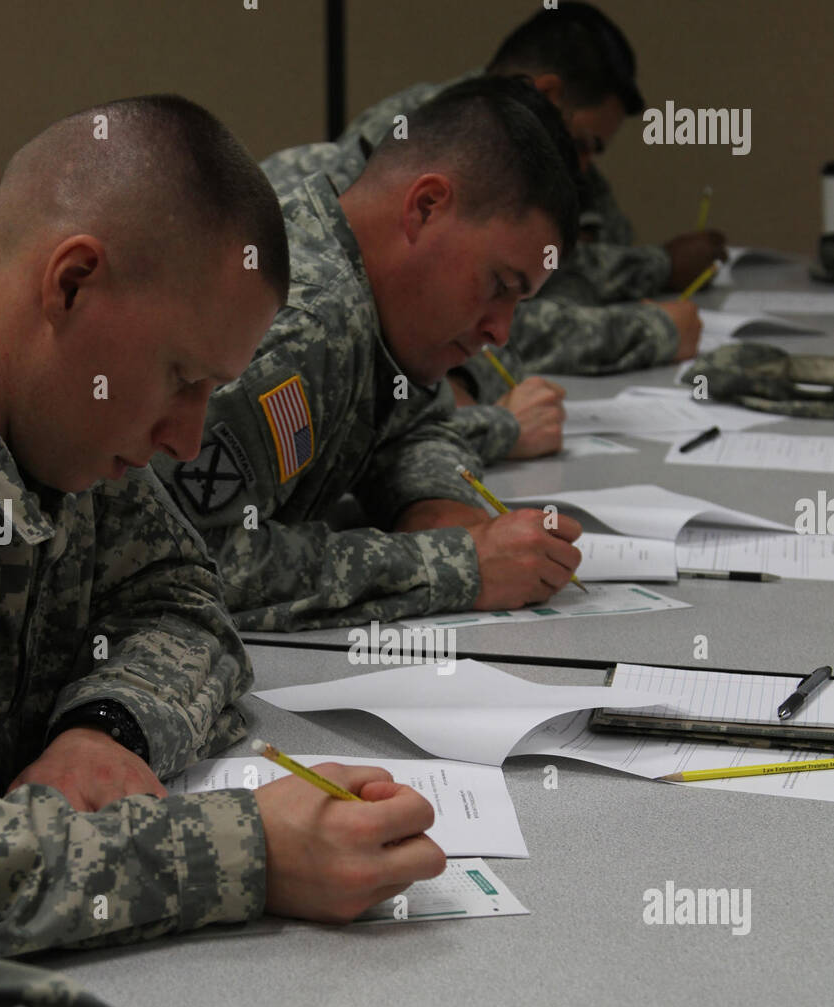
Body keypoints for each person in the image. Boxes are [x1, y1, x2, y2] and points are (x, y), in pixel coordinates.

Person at [0, 93, 445, 956]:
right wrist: (250, 852)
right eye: (183, 377)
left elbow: (184, 597)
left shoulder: (66, 424)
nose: (187, 438)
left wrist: (105, 727)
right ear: (72, 284)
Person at [154, 77, 585, 632]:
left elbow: (414, 422)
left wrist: (433, 503)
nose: (501, 331)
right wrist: (455, 564)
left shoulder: (378, 304)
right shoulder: (299, 324)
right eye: (499, 284)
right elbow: (192, 560)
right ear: (426, 208)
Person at [262, 2, 716, 380]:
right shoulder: (442, 140)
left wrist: (652, 269)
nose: (582, 167)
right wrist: (650, 328)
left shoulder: (538, 154)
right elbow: (468, 327)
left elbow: (571, 270)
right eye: (583, 145)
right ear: (551, 95)